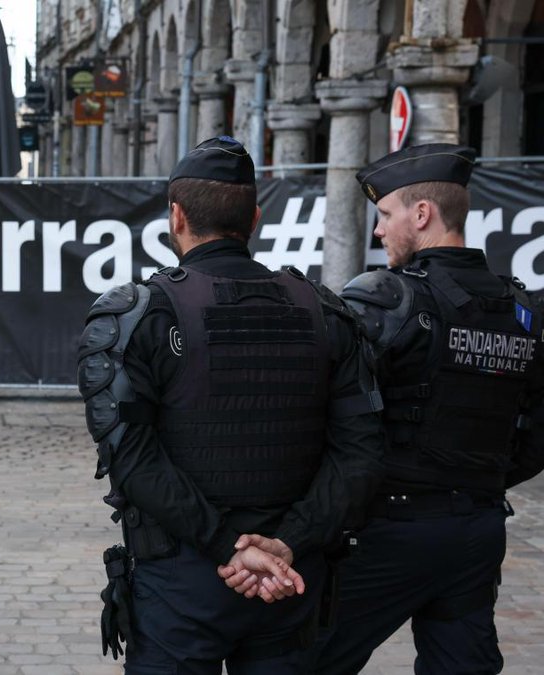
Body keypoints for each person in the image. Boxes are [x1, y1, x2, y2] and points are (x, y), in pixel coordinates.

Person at [78, 136, 385, 674]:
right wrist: (289, 541)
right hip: (290, 578)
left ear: (176, 217)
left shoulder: (140, 317)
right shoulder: (325, 313)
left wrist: (228, 545)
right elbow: (360, 453)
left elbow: (133, 459)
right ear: (256, 218)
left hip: (183, 579)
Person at [313, 143, 544, 675]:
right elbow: (534, 436)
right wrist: (480, 479)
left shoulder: (387, 298)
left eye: (385, 215)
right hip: (479, 530)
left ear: (422, 215)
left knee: (302, 659)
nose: (378, 231)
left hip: (392, 526)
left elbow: (332, 415)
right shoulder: (521, 309)